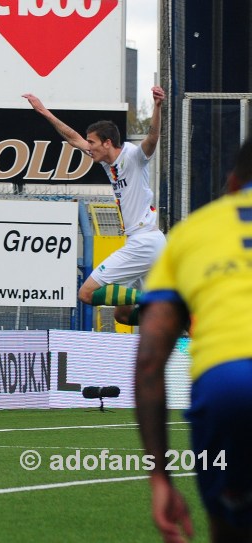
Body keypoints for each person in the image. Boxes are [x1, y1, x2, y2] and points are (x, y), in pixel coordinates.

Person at [135, 137, 252, 542]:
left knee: (230, 531)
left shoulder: (193, 233)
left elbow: (149, 361)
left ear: (233, 183)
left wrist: (159, 478)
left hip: (229, 385)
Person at [23, 87, 168, 325]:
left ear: (108, 143)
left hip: (144, 243)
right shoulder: (105, 161)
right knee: (123, 315)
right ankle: (173, 317)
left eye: (92, 142)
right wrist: (44, 111)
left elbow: (152, 140)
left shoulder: (133, 156)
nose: (88, 146)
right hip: (147, 243)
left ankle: (162, 304)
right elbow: (72, 137)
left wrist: (157, 107)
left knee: (86, 293)